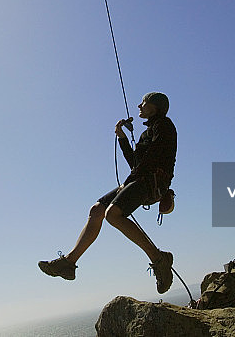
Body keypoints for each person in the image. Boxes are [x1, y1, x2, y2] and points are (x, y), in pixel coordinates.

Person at [38, 92, 177, 294]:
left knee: (113, 214)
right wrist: (122, 138)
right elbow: (136, 163)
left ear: (155, 107)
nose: (139, 106)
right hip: (141, 179)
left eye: (144, 102)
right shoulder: (147, 133)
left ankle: (158, 258)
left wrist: (128, 182)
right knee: (97, 210)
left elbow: (152, 160)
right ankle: (69, 263)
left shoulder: (164, 125)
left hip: (153, 182)